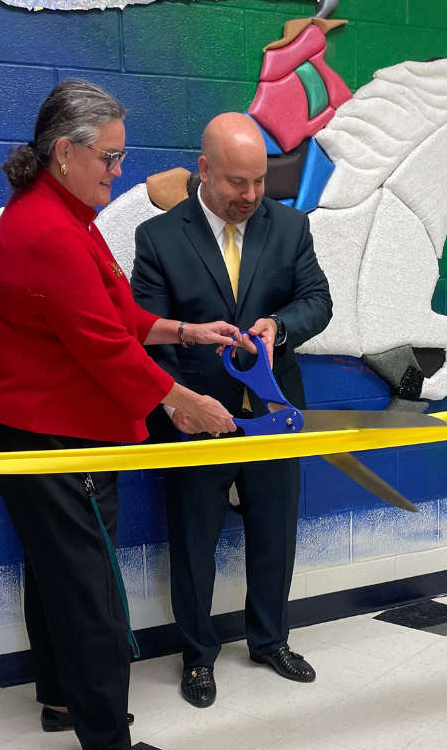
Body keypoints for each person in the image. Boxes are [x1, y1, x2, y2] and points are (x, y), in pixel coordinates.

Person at [0, 80, 239, 750]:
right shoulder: (50, 233)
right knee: (92, 589)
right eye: (110, 160)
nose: (120, 174)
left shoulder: (67, 216)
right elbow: (105, 348)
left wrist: (187, 330)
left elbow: (119, 314)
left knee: (55, 571)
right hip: (51, 440)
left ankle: (60, 697)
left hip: (39, 429)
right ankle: (108, 743)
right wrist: (187, 403)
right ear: (65, 151)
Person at [132, 112, 333, 708]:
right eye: (235, 183)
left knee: (276, 534)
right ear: (204, 170)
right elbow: (146, 335)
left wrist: (281, 327)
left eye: (258, 181)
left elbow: (317, 300)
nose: (249, 196)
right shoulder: (159, 238)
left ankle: (270, 640)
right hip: (197, 419)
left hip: (275, 416)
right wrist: (179, 407)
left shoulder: (292, 227)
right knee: (193, 543)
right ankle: (198, 657)